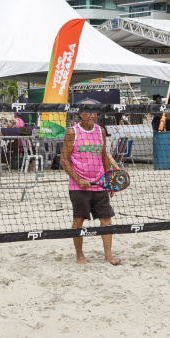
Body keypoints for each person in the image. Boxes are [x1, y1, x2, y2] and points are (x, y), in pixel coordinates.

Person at [60, 109, 121, 265]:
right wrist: (78, 179)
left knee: (106, 219)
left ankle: (108, 255)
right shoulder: (72, 132)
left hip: (100, 183)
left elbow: (103, 157)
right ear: (80, 114)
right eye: (87, 113)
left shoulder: (100, 131)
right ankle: (80, 256)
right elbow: (63, 160)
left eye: (94, 112)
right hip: (78, 186)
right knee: (78, 220)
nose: (92, 115)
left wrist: (110, 180)